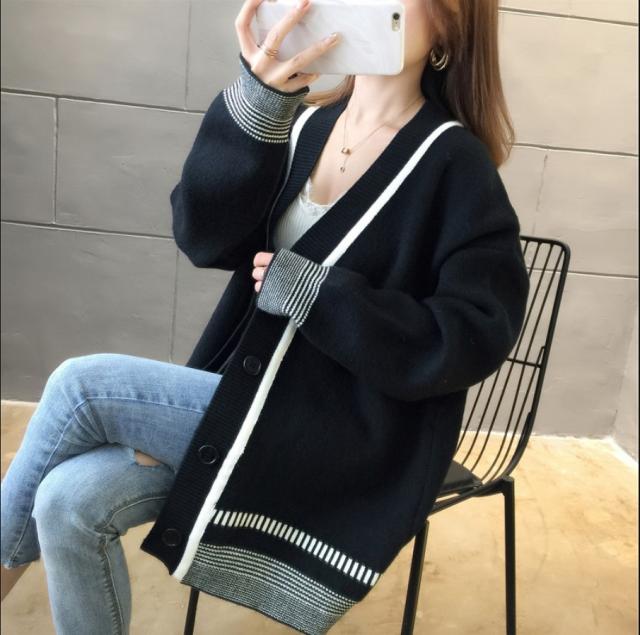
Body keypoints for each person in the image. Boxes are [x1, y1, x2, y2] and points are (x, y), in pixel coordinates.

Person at [1, 0, 528, 633]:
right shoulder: (304, 126)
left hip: (338, 432)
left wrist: (322, 297)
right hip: (248, 400)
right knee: (66, 499)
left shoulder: (455, 164)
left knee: (80, 386)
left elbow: (475, 332)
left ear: (449, 25)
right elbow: (204, 238)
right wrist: (257, 106)